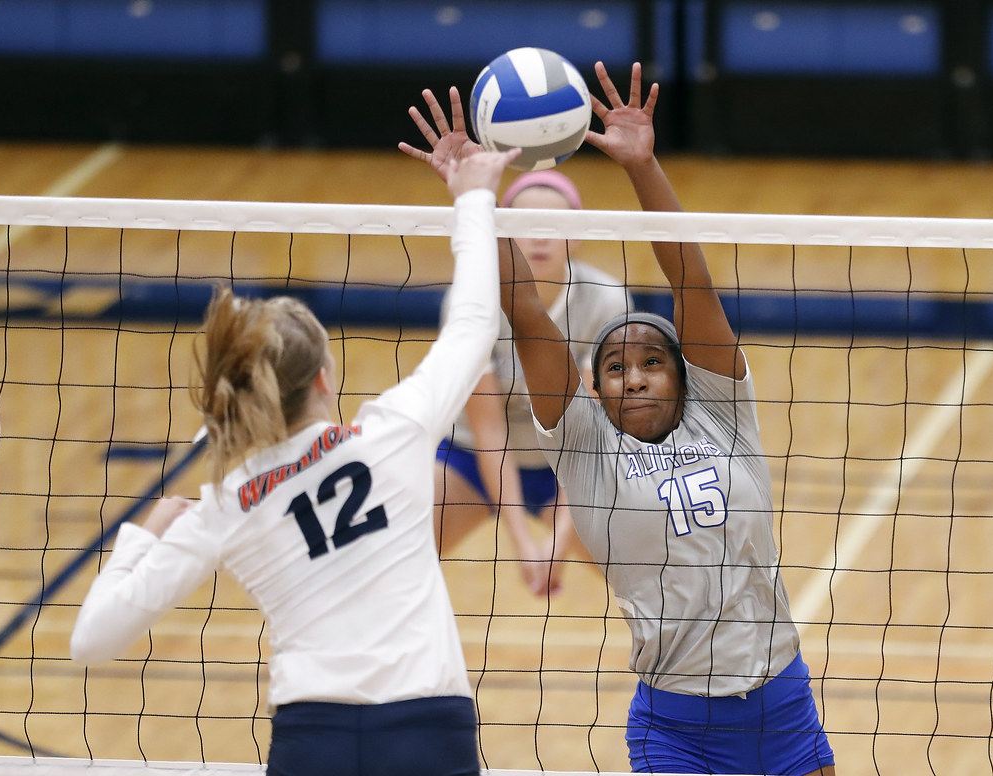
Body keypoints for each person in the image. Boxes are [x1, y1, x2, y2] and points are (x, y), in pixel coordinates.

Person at [69, 148, 522, 776]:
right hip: (426, 733)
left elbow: (90, 642)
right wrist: (473, 195)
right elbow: (472, 326)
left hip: (314, 742)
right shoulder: (394, 431)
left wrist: (144, 538)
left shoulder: (226, 503)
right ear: (323, 381)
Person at [495, 63, 836, 774]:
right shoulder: (586, 447)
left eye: (653, 360)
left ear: (685, 376)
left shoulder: (724, 415)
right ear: (593, 390)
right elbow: (524, 311)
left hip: (784, 707)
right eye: (615, 368)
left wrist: (642, 165)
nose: (635, 376)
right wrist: (481, 195)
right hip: (675, 728)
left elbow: (690, 281)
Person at [401, 93, 633, 597]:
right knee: (391, 560)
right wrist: (524, 543)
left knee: (648, 581)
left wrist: (559, 543)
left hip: (570, 466)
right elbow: (489, 431)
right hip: (471, 458)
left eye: (556, 227)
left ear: (578, 237)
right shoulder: (473, 300)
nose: (540, 239)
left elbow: (592, 439)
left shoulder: (606, 301)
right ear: (501, 234)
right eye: (526, 226)